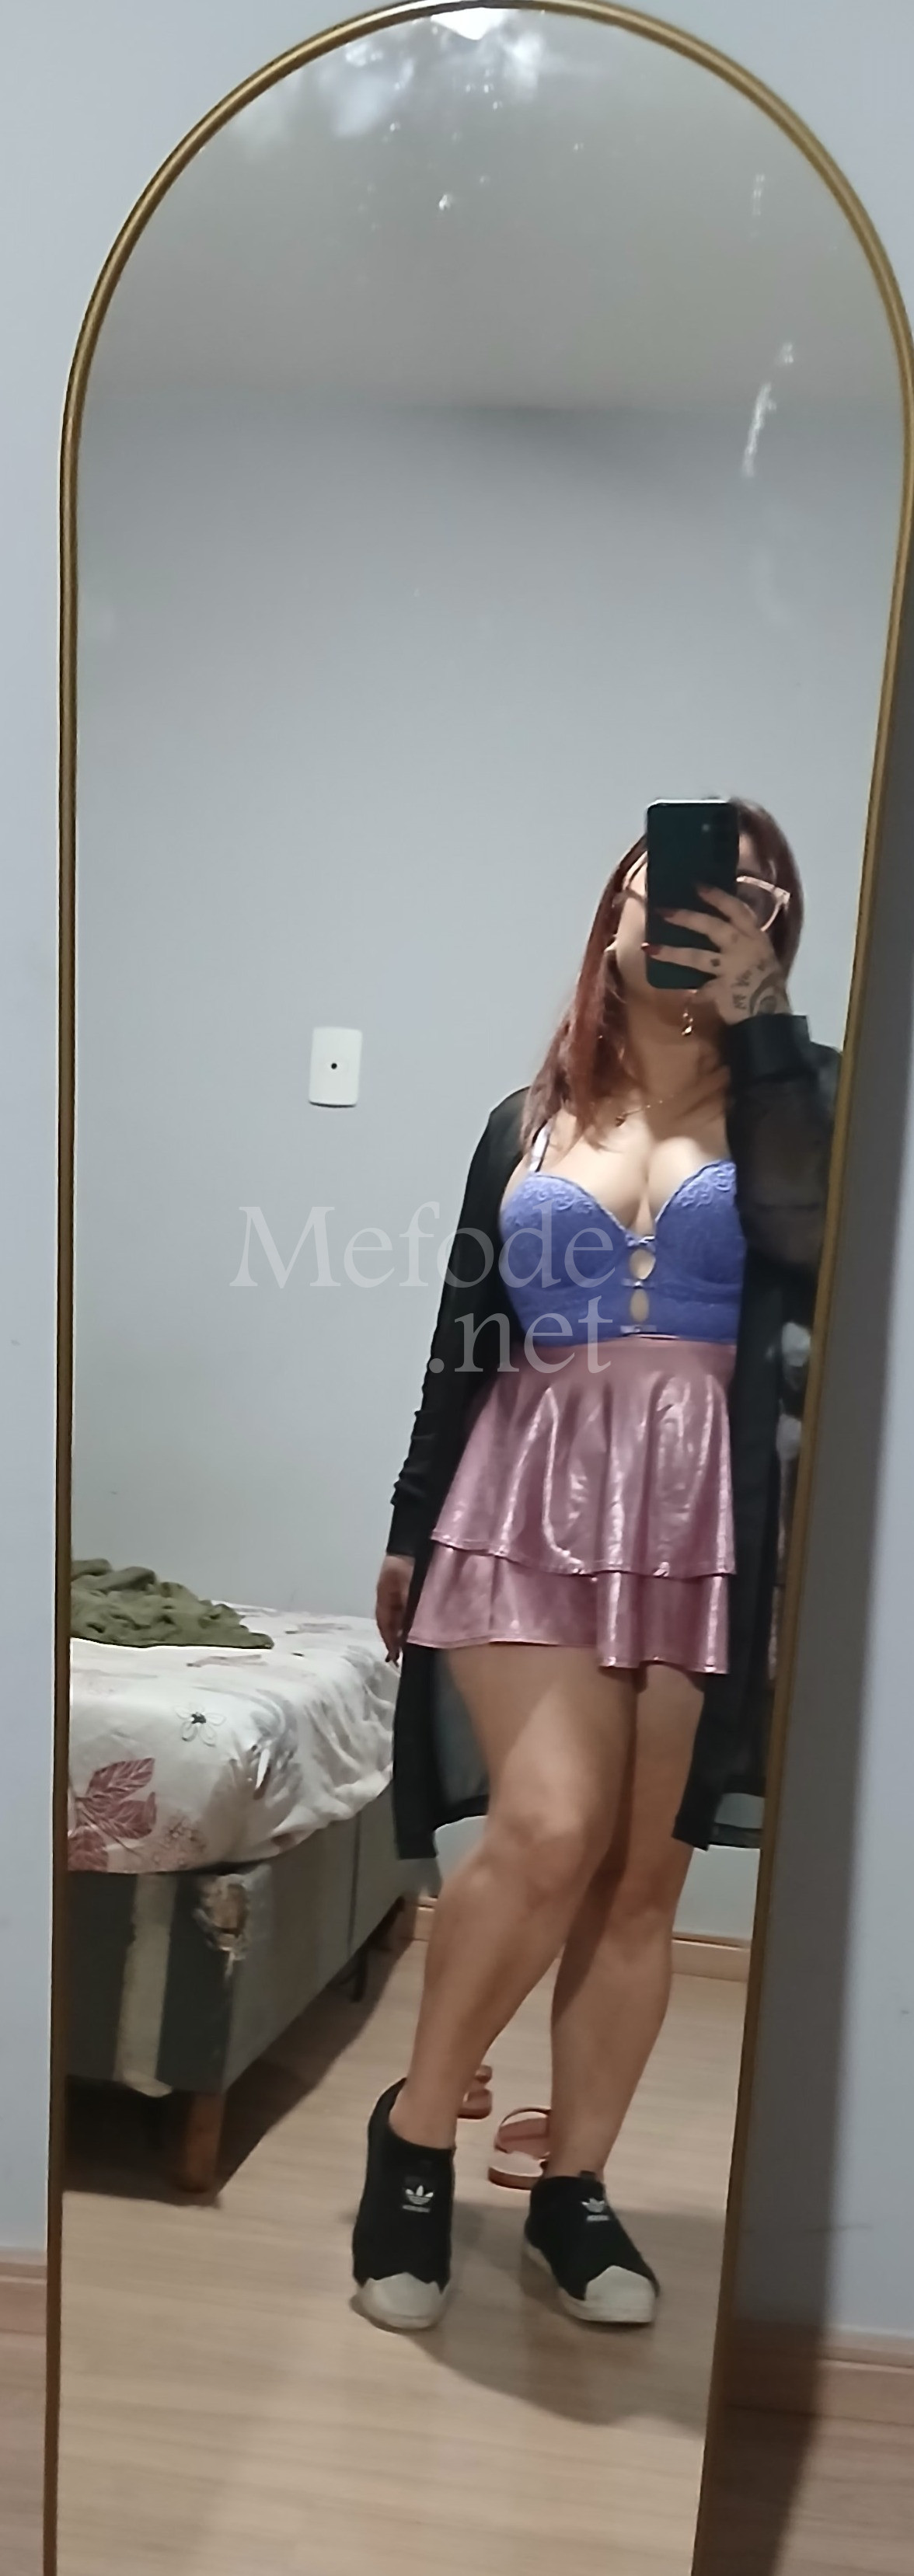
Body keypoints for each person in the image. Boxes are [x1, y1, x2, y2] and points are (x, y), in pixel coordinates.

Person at [353, 799, 837, 2333]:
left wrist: (769, 1032)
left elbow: (817, 1245)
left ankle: (576, 2184)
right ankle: (415, 2140)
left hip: (711, 1520)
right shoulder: (527, 1118)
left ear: (773, 933)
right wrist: (410, 1517)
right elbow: (464, 1332)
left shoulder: (798, 1109)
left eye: (746, 895)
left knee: (641, 1879)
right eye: (664, 882)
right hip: (525, 1496)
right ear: (614, 908)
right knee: (550, 1829)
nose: (691, 907)